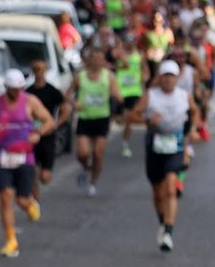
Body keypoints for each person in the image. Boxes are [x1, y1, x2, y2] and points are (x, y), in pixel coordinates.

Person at [0, 69, 57, 258]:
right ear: (7, 89)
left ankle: (30, 204)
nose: (17, 93)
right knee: (5, 196)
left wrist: (38, 133)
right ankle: (11, 240)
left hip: (24, 157)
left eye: (20, 89)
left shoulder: (30, 102)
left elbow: (49, 121)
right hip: (2, 157)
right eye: (13, 90)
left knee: (21, 199)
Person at [136, 60, 199, 252]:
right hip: (154, 146)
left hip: (176, 145)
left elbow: (195, 112)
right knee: (157, 192)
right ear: (160, 78)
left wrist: (192, 130)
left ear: (176, 78)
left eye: (172, 76)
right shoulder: (151, 95)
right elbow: (132, 115)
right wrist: (147, 120)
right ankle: (163, 222)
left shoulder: (183, 96)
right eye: (165, 76)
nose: (169, 79)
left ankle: (168, 232)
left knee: (171, 189)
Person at [69, 45, 121, 197]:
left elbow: (118, 95)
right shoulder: (81, 76)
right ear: (90, 60)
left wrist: (116, 97)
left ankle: (93, 182)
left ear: (104, 61)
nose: (97, 62)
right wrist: (74, 103)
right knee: (82, 153)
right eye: (95, 58)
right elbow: (68, 94)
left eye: (100, 59)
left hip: (102, 118)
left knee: (98, 153)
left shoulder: (109, 76)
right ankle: (86, 166)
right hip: (85, 119)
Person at [26, 60, 68, 196]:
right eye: (36, 70)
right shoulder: (28, 92)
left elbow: (65, 110)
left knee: (45, 176)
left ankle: (41, 176)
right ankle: (35, 198)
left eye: (41, 70)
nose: (39, 73)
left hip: (48, 136)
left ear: (45, 71)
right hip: (32, 135)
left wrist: (55, 123)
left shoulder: (52, 91)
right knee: (31, 170)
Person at [114, 33, 146, 157]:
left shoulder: (140, 56)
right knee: (119, 119)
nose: (130, 43)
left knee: (129, 119)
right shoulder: (119, 55)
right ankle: (121, 125)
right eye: (127, 41)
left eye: (132, 41)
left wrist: (144, 79)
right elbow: (122, 64)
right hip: (120, 91)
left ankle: (125, 144)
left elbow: (144, 70)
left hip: (134, 91)